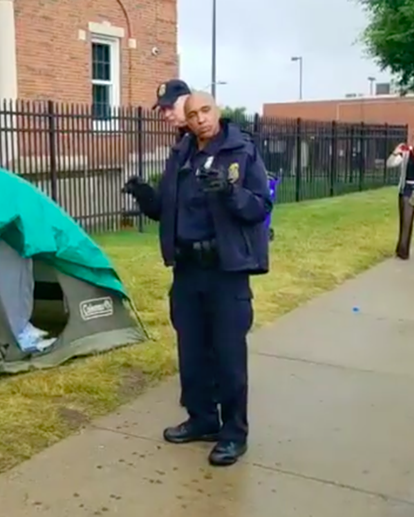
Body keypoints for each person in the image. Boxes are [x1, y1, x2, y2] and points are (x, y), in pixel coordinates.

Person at [123, 91, 272, 467]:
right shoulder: (181, 154)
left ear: (217, 110)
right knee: (191, 352)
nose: (201, 119)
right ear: (185, 120)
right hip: (188, 270)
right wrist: (145, 195)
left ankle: (233, 433)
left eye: (206, 110)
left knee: (228, 354)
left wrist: (230, 192)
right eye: (193, 114)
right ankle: (202, 418)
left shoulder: (242, 151)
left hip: (226, 271)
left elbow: (260, 206)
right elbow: (166, 210)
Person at [153, 78, 194, 408]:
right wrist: (144, 195)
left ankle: (212, 402)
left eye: (170, 106)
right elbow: (169, 205)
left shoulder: (205, 144)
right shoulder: (180, 147)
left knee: (211, 336)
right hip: (183, 260)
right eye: (163, 108)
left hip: (210, 261)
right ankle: (198, 406)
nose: (165, 113)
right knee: (185, 327)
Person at [387, 142, 414, 260]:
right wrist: (395, 153)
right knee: (405, 222)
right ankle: (402, 251)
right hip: (407, 189)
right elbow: (390, 164)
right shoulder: (406, 153)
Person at [153, 79, 192, 143]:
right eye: (163, 109)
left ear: (187, 100)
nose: (166, 114)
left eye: (171, 107)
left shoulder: (207, 134)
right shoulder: (183, 136)